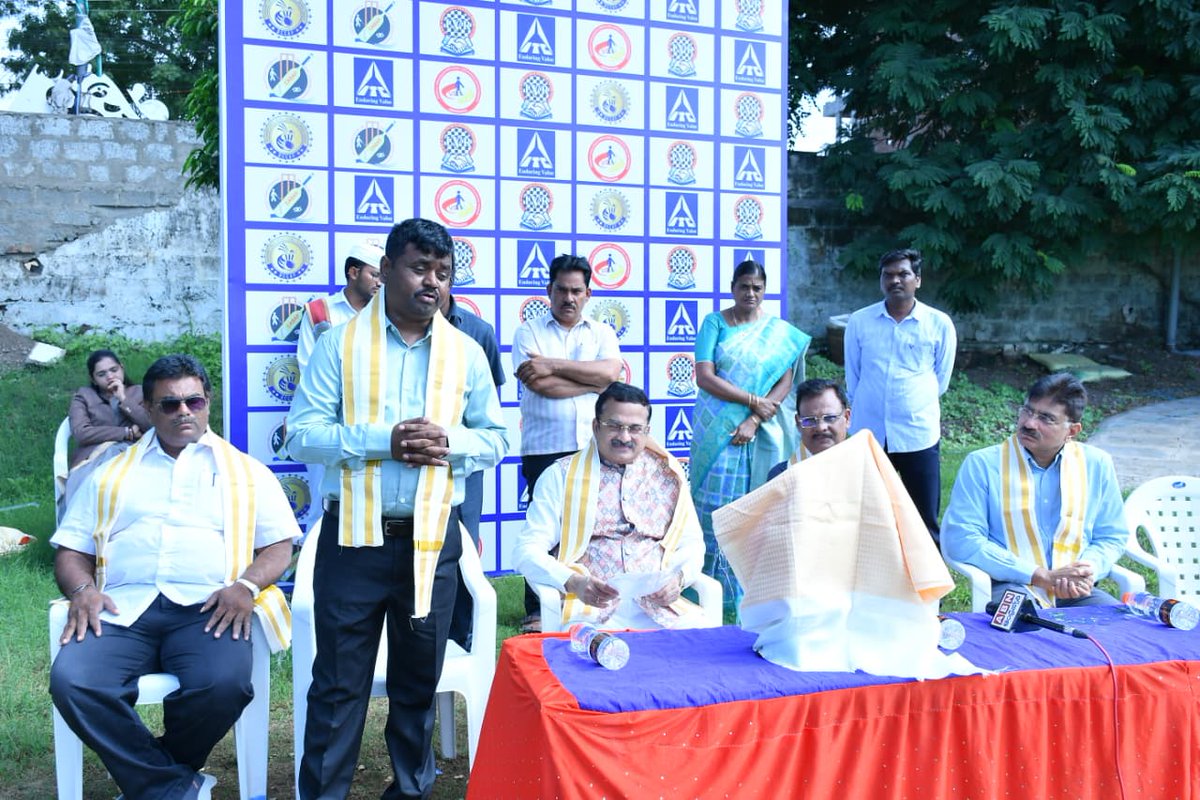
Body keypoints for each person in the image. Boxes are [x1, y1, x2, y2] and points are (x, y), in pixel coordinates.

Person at [286, 218, 509, 800]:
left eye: (442, 271)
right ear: (384, 271)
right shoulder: (339, 343)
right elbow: (302, 434)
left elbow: (496, 439)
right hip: (354, 542)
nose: (431, 281)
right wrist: (381, 441)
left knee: (417, 687)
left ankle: (409, 792)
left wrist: (450, 444)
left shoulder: (466, 351)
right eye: (418, 267)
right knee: (337, 689)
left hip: (432, 543)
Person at [49, 354, 297, 800]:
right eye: (169, 404)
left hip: (208, 609)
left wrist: (246, 586)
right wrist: (83, 590)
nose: (184, 411)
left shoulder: (247, 472)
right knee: (74, 681)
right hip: (124, 609)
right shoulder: (110, 474)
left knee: (225, 685)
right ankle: (173, 786)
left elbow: (279, 545)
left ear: (207, 402)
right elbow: (71, 551)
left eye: (193, 401)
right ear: (146, 408)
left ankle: (155, 779)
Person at [513, 383, 706, 630]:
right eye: (614, 426)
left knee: (703, 652)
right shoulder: (560, 476)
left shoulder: (669, 475)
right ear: (595, 427)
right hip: (589, 610)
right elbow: (526, 550)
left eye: (635, 429)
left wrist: (678, 579)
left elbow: (692, 543)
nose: (625, 437)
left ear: (647, 431)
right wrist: (572, 582)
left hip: (660, 610)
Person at [941, 373, 1127, 607]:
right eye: (1027, 411)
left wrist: (1086, 569)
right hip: (1010, 586)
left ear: (1073, 430)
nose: (1029, 423)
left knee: (1117, 631)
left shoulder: (1096, 464)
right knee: (1024, 631)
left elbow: (1112, 535)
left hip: (1074, 591)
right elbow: (963, 540)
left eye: (1046, 419)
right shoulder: (983, 464)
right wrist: (1040, 576)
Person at [690, 259, 810, 618]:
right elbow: (704, 376)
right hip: (717, 431)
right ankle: (710, 591)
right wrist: (749, 401)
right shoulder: (715, 323)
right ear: (732, 287)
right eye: (745, 286)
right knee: (714, 509)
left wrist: (755, 418)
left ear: (765, 289)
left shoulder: (777, 332)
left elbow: (784, 380)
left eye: (758, 288)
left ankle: (758, 594)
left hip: (763, 430)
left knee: (761, 508)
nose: (751, 293)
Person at [512, 253, 623, 633]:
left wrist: (554, 364)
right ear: (549, 290)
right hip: (545, 446)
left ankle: (586, 601)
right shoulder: (528, 332)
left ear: (588, 293)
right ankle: (536, 609)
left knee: (589, 523)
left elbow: (611, 374)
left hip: (591, 446)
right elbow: (539, 385)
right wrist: (593, 382)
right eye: (562, 289)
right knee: (543, 528)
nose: (569, 298)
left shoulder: (602, 332)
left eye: (577, 290)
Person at [844, 248, 956, 544]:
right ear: (881, 280)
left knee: (923, 515)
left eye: (903, 274)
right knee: (865, 511)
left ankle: (929, 585)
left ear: (917, 280)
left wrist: (912, 401)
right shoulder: (859, 321)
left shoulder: (938, 323)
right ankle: (868, 575)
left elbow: (940, 379)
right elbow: (853, 376)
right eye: (888, 274)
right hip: (869, 431)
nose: (895, 280)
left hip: (917, 432)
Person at [441, 282, 505, 650]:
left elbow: (489, 409)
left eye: (441, 272)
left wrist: (455, 442)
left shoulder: (478, 333)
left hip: (464, 465)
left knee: (462, 549)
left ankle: (460, 634)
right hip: (403, 467)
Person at [295, 240, 384, 371]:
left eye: (383, 277)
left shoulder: (387, 313)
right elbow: (307, 367)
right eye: (375, 275)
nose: (380, 283)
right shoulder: (318, 312)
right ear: (354, 273)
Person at [67, 349, 152, 469]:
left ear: (122, 368)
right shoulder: (84, 396)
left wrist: (123, 398)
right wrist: (127, 433)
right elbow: (81, 433)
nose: (110, 376)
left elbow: (152, 425)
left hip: (135, 457)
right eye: (102, 374)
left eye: (114, 370)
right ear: (93, 379)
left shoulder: (140, 392)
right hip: (95, 458)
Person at [767, 379, 851, 480]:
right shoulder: (781, 478)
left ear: (846, 418)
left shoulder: (867, 469)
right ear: (798, 423)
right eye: (810, 420)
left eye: (830, 418)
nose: (821, 428)